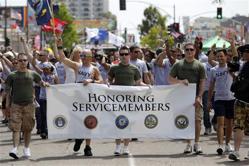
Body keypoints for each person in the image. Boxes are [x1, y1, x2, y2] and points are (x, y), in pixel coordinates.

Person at [57, 37, 103, 156]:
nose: (81, 58)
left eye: (84, 56)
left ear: (90, 57)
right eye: (81, 56)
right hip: (78, 98)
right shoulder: (78, 66)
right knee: (78, 121)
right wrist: (60, 46)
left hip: (90, 99)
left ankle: (88, 147)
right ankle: (78, 138)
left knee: (90, 122)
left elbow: (101, 81)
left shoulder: (94, 69)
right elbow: (63, 58)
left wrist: (92, 81)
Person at [5, 53, 49, 159]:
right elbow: (7, 91)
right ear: (17, 62)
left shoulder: (32, 74)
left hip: (29, 105)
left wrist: (45, 84)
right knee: (16, 128)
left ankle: (26, 148)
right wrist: (7, 104)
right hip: (16, 105)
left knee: (27, 128)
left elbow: (41, 82)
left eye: (25, 60)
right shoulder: (12, 76)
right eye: (20, 61)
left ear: (27, 62)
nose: (23, 62)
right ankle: (15, 148)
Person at [108, 46, 147, 156]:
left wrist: (148, 86)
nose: (124, 56)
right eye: (122, 54)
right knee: (117, 122)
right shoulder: (114, 68)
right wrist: (107, 83)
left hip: (131, 100)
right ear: (119, 56)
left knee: (129, 123)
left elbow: (139, 83)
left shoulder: (135, 69)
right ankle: (117, 146)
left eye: (126, 54)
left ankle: (126, 147)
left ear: (129, 55)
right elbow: (109, 80)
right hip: (117, 100)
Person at [168, 43, 206, 154]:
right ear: (184, 51)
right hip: (182, 98)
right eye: (187, 49)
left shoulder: (199, 65)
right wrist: (180, 81)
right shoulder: (178, 64)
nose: (189, 51)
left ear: (195, 51)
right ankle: (188, 143)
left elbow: (202, 82)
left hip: (195, 98)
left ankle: (197, 144)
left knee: (198, 121)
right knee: (186, 120)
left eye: (191, 49)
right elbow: (170, 79)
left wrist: (199, 97)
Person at [208, 49, 235, 155]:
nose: (219, 58)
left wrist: (231, 72)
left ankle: (228, 144)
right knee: (220, 123)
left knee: (229, 124)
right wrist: (209, 100)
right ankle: (220, 145)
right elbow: (211, 86)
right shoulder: (214, 70)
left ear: (226, 56)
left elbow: (236, 79)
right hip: (219, 99)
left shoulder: (231, 67)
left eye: (221, 56)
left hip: (231, 98)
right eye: (218, 56)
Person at [228, 44, 249, 161]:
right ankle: (236, 151)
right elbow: (232, 66)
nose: (244, 54)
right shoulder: (243, 65)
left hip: (244, 100)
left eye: (246, 52)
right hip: (241, 101)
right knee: (238, 126)